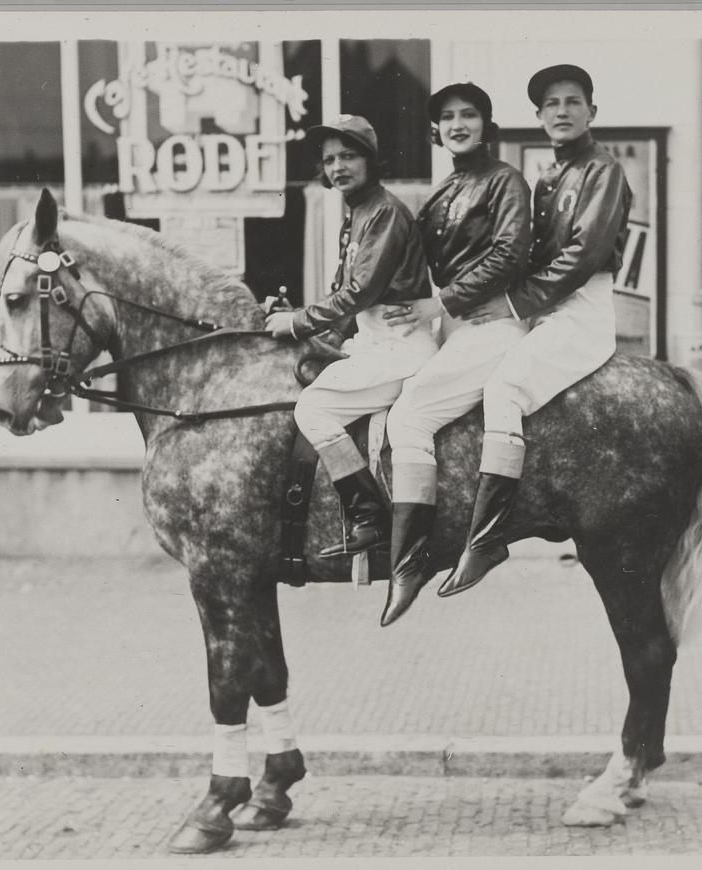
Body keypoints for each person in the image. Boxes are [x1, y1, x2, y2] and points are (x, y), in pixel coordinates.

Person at [437, 63, 634, 597]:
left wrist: (510, 303)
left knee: (504, 387)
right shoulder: (548, 177)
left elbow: (583, 255)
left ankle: (488, 538)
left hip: (582, 310)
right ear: (540, 116)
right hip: (542, 309)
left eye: (572, 102)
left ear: (592, 111)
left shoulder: (603, 170)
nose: (561, 112)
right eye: (551, 104)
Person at [375, 82, 532, 626]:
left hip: (491, 326)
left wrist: (441, 303)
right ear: (435, 131)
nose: (458, 124)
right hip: (453, 328)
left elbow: (512, 253)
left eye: (469, 115)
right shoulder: (443, 190)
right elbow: (409, 260)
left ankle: (410, 561)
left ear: (487, 126)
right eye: (447, 117)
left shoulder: (505, 180)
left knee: (410, 414)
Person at [264, 115, 439, 557]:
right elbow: (343, 296)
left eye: (348, 156)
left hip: (401, 348)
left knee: (313, 409)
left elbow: (361, 292)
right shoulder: (357, 213)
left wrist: (299, 322)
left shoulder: (385, 212)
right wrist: (312, 332)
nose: (338, 167)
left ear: (371, 160)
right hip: (373, 343)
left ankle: (369, 517)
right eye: (329, 160)